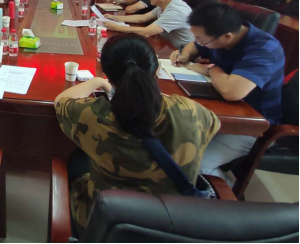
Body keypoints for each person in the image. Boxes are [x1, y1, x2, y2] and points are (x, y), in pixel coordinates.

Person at [55, 35, 220, 236]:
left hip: (107, 227)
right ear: (156, 70)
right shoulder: (190, 111)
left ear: (107, 73)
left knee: (78, 158)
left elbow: (62, 101)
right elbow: (214, 124)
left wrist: (98, 81)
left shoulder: (92, 115)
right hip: (176, 227)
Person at [170, 2, 285, 183]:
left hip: (251, 125)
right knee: (171, 143)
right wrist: (184, 55)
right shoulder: (217, 34)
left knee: (192, 164)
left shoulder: (265, 49)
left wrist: (211, 69)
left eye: (201, 39)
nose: (198, 42)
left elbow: (232, 92)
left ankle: (224, 193)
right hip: (221, 111)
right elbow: (195, 46)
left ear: (227, 37)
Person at [103, 0, 195, 49]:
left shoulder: (176, 11)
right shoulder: (164, 4)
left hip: (183, 55)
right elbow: (142, 18)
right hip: (167, 46)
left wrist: (116, 27)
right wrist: (114, 18)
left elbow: (146, 32)